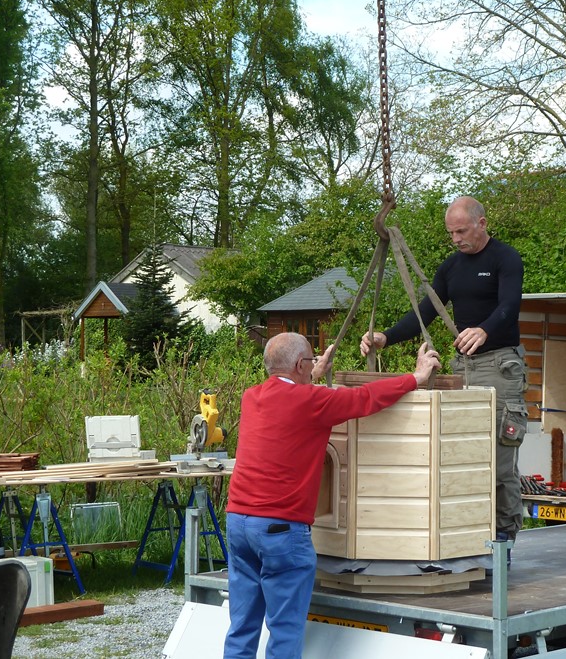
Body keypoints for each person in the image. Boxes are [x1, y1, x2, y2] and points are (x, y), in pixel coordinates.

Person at [223, 332, 441, 659]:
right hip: (280, 532)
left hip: (238, 524)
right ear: (300, 364)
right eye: (310, 360)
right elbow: (365, 398)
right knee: (285, 631)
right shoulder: (312, 402)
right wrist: (417, 377)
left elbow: (291, 391)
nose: (313, 365)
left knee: (242, 626)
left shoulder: (251, 397)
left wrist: (310, 374)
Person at [360, 194, 528, 548]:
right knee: (460, 456)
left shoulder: (505, 258)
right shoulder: (451, 267)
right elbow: (426, 310)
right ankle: (467, 536)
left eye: (461, 231)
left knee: (498, 460)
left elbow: (510, 306)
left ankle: (503, 539)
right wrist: (385, 337)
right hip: (462, 368)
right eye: (451, 233)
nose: (456, 239)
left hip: (499, 365)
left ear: (482, 223)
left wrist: (484, 329)